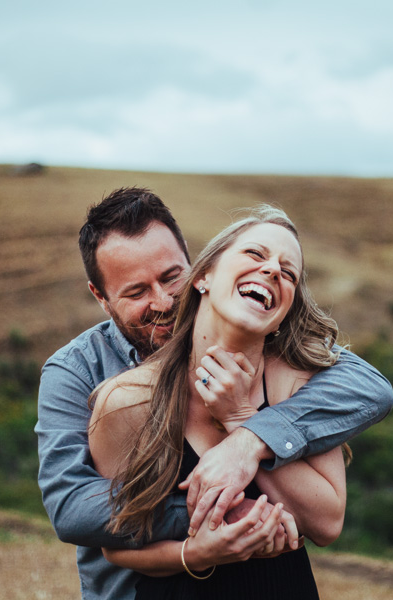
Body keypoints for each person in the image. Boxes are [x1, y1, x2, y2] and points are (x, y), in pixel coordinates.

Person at [35, 188, 393, 600]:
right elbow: (74, 510)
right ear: (100, 297)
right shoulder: (91, 380)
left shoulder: (291, 373)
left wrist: (248, 433)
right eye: (136, 292)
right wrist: (218, 515)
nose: (164, 301)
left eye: (172, 277)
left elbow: (373, 390)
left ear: (195, 267)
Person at [89, 205, 347, 598]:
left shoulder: (304, 386)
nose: (273, 270)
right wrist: (197, 553)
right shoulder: (126, 401)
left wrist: (242, 419)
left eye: (288, 272)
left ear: (282, 314)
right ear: (204, 276)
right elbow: (116, 544)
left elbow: (327, 524)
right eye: (255, 254)